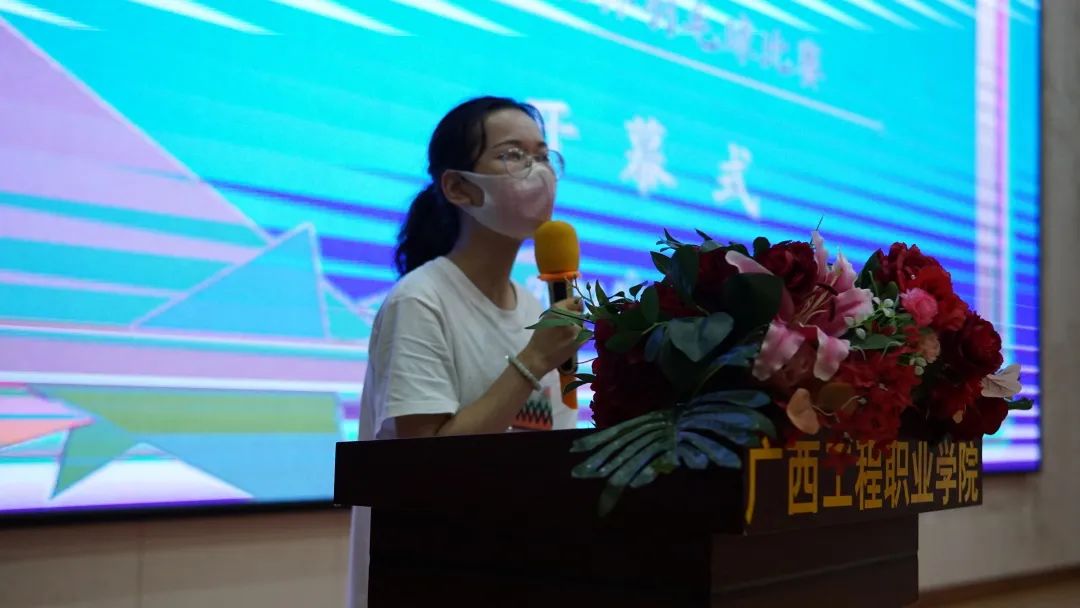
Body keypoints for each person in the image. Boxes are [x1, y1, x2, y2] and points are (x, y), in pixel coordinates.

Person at [346, 96, 583, 607]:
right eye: (512, 155)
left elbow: (550, 455)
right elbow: (426, 466)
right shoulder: (421, 300)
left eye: (543, 155)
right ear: (457, 187)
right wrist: (532, 362)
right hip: (430, 576)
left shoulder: (535, 308)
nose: (538, 171)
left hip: (519, 570)